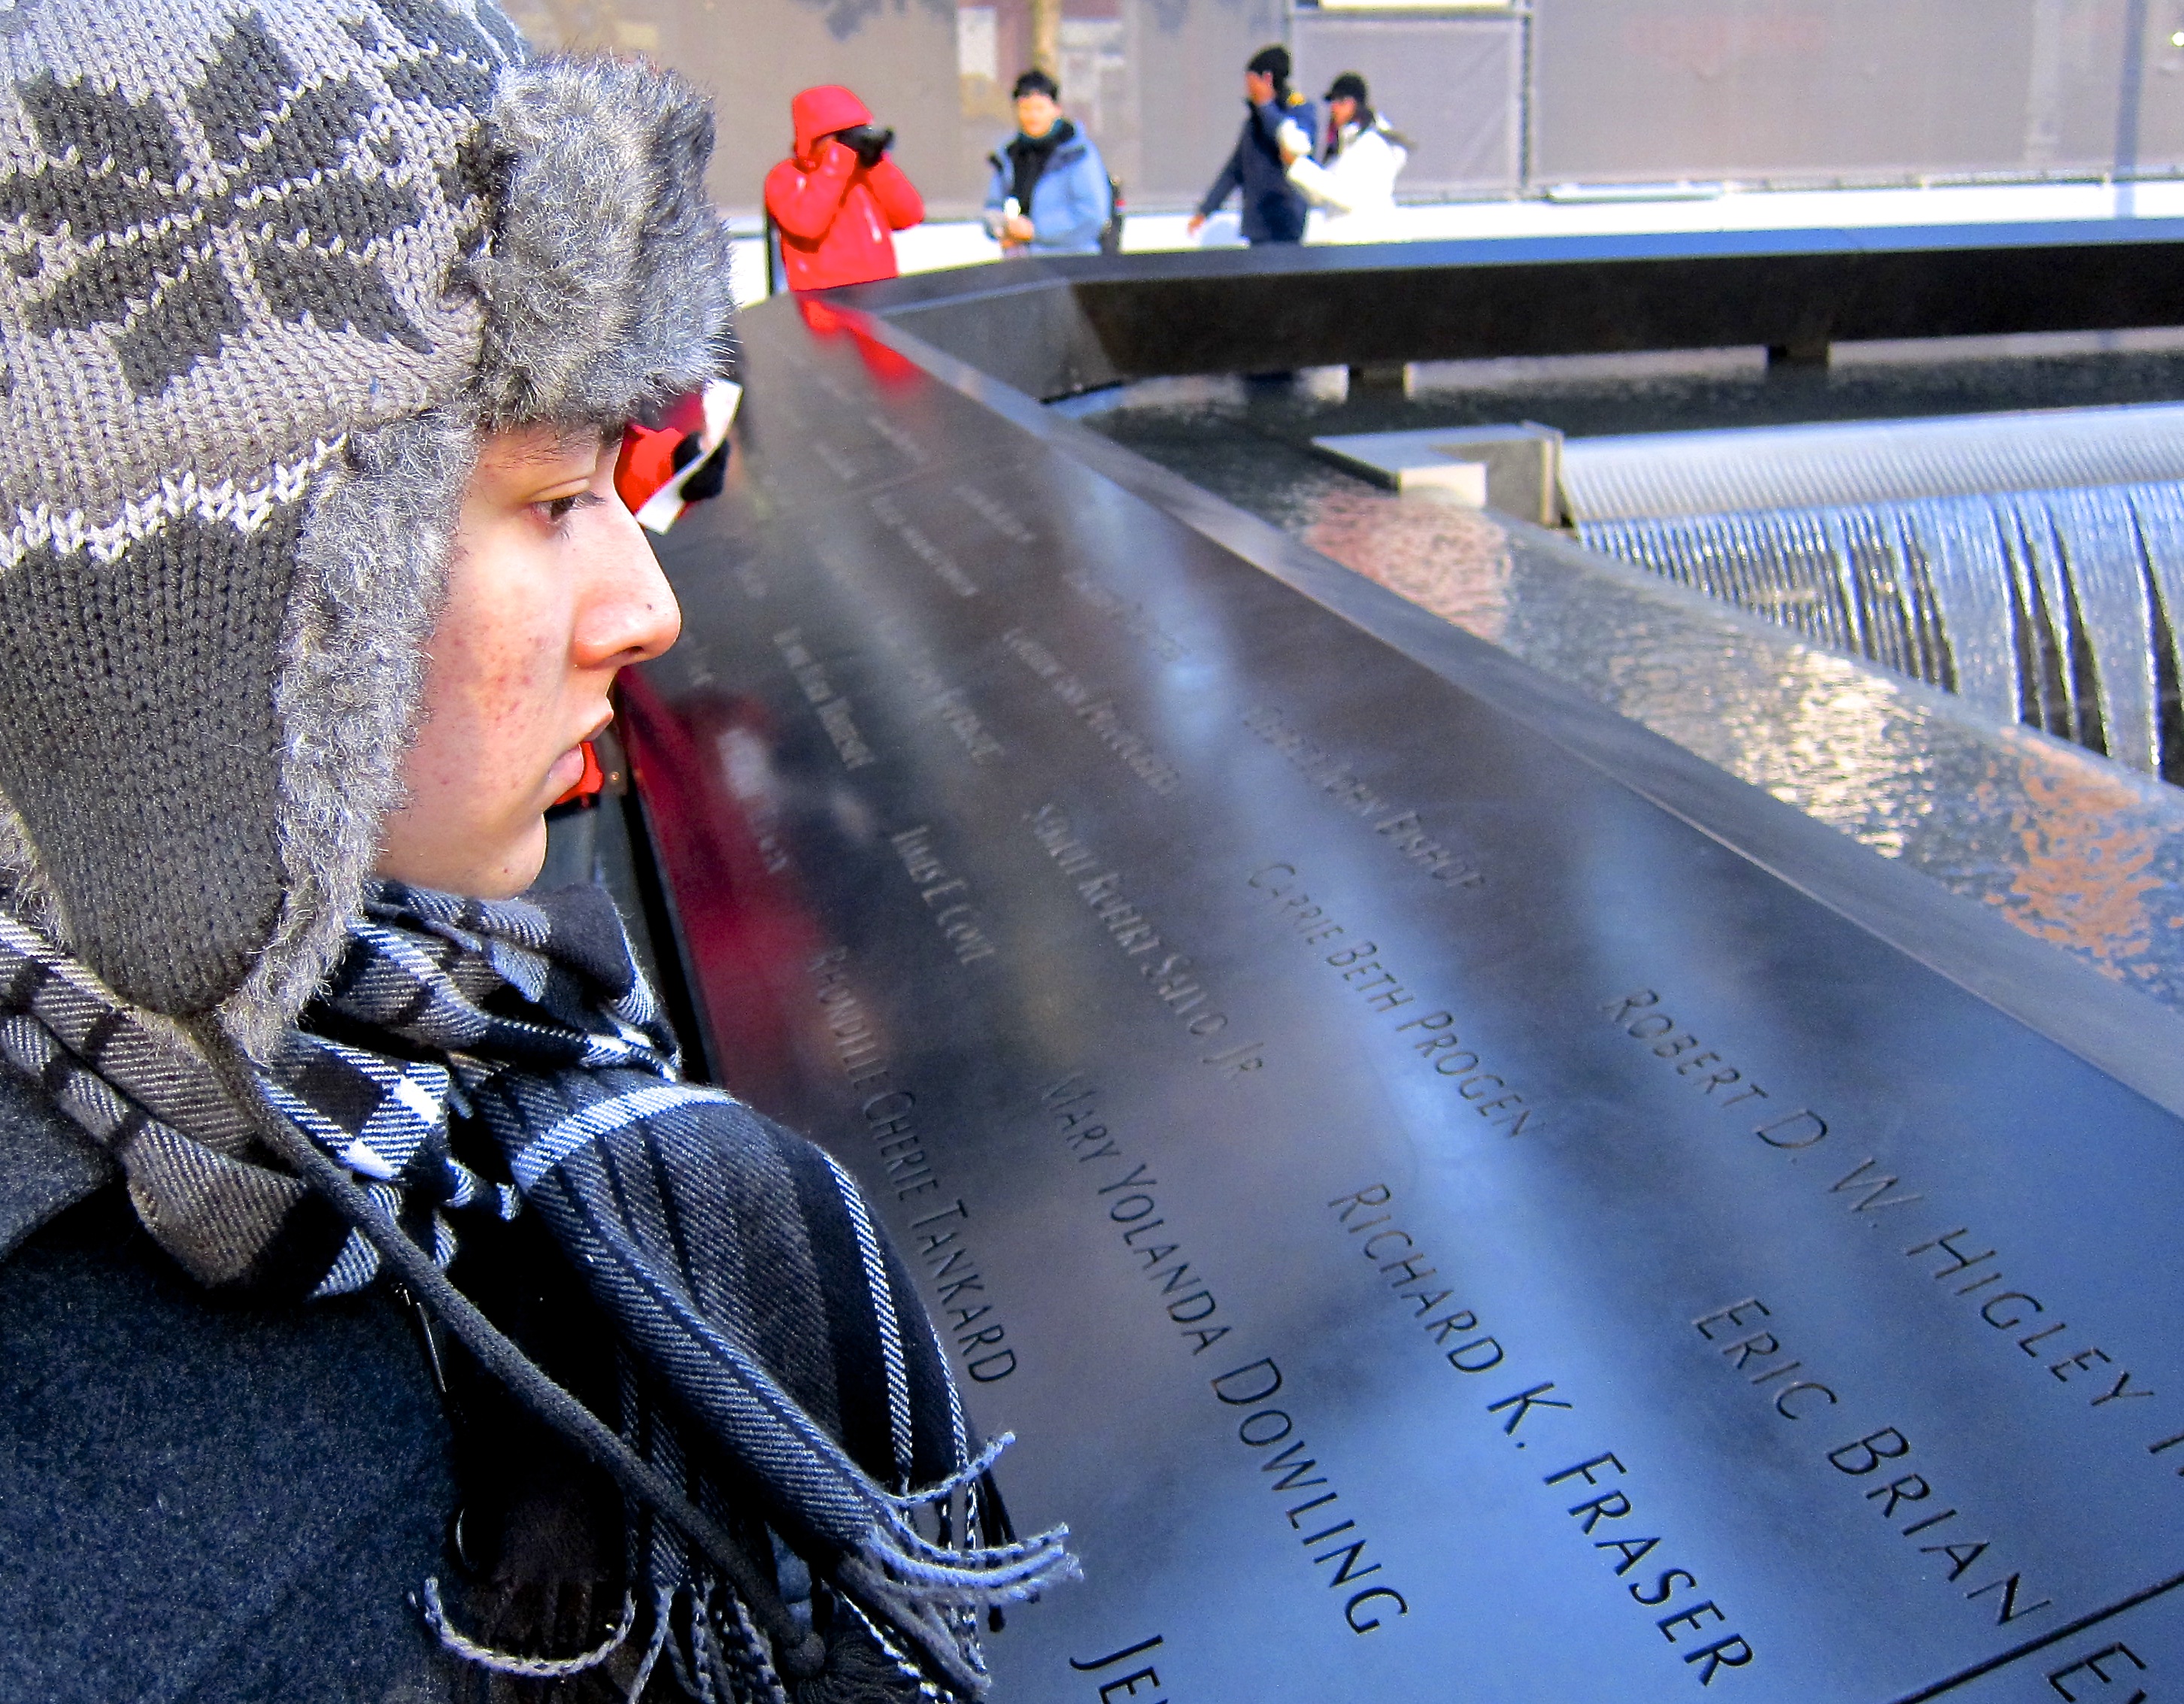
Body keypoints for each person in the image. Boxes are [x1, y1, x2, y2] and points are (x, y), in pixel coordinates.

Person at [0, 5, 1069, 1703]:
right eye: (553, 493)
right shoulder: (148, 1585)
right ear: (197, 620)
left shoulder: (438, 1050)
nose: (644, 608)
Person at [763, 85, 926, 292]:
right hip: (824, 300)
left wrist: (877, 165)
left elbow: (910, 214)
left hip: (881, 292)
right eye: (842, 137)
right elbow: (807, 224)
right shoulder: (786, 177)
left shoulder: (864, 174)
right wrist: (838, 161)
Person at [1186, 44, 1317, 247]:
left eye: (1252, 82)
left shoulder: (1299, 110)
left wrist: (1266, 106)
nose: (1248, 90)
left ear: (1267, 79)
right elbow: (1233, 171)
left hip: (1285, 223)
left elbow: (1295, 143)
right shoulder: (1253, 123)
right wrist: (1205, 211)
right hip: (1258, 227)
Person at [982, 68, 1113, 257]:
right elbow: (993, 206)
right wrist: (1002, 228)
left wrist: (1035, 231)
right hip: (1021, 266)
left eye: (1040, 109)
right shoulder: (1009, 155)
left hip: (1073, 266)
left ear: (1056, 110)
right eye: (1025, 109)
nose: (1032, 117)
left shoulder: (1077, 155)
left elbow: (1092, 216)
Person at [1288, 71, 1409, 244]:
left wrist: (1299, 166)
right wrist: (1293, 165)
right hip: (1348, 249)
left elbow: (1348, 195)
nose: (1334, 108)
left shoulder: (1371, 144)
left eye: (1341, 101)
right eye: (1333, 102)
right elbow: (1320, 197)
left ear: (1357, 104)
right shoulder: (1345, 146)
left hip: (1367, 246)